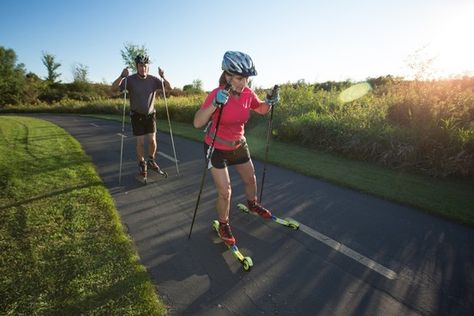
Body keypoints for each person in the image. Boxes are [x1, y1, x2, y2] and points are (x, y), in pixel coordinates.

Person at [193, 51, 280, 246]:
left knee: (251, 179)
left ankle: (252, 204)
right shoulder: (216, 94)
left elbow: (261, 109)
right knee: (225, 192)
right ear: (227, 76)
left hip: (239, 144)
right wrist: (215, 105)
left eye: (246, 78)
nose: (244, 83)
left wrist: (270, 101)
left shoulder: (248, 93)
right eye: (240, 78)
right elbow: (197, 123)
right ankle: (223, 224)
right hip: (216, 146)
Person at [112, 54, 172, 179]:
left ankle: (151, 160)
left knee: (152, 141)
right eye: (140, 66)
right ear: (137, 66)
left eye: (145, 66)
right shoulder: (130, 80)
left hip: (150, 115)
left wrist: (163, 76)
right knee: (140, 143)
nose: (143, 68)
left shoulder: (154, 80)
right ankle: (141, 164)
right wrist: (122, 76)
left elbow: (169, 88)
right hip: (137, 116)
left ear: (148, 67)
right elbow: (113, 88)